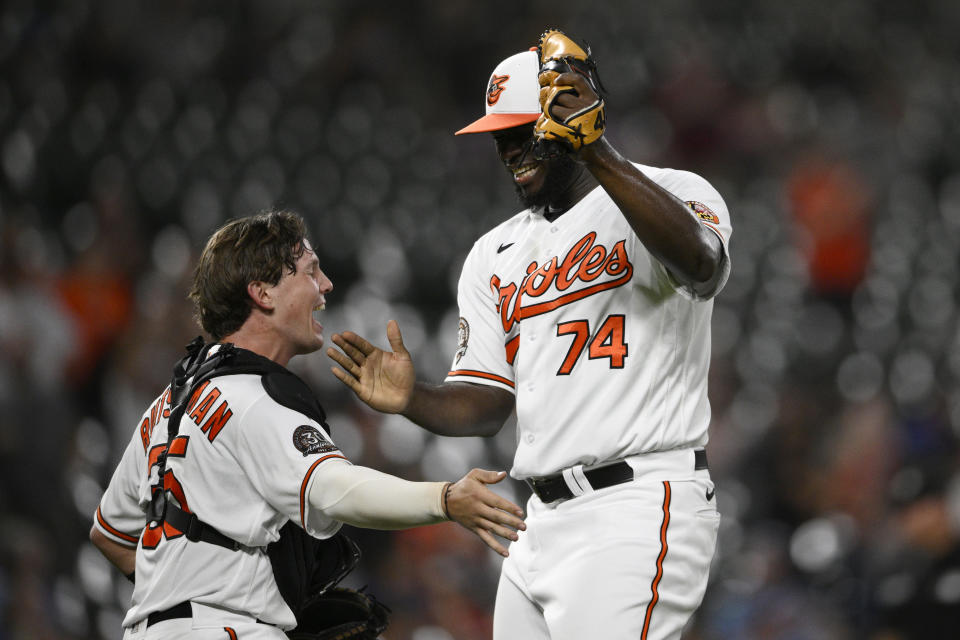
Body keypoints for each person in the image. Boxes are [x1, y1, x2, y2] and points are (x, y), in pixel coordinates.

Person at [327, 30, 732, 639]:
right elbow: (488, 405)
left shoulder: (673, 191)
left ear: (569, 116)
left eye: (526, 132)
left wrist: (598, 153)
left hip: (637, 502)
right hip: (535, 523)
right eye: (500, 138)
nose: (511, 150)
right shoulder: (495, 252)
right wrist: (414, 399)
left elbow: (704, 267)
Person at [90, 210, 526, 639]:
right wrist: (446, 499)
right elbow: (337, 490)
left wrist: (177, 596)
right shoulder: (254, 400)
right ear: (262, 292)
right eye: (309, 271)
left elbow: (109, 533)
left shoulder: (167, 406)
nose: (325, 286)